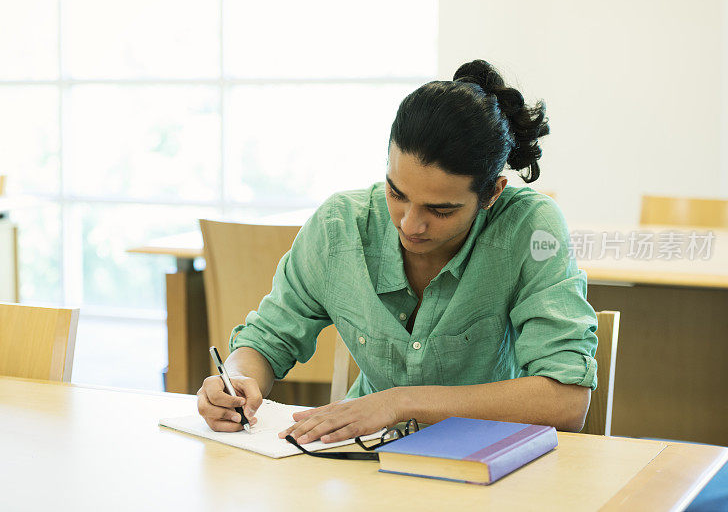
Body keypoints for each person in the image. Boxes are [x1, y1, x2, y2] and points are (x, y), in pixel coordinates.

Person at [197, 59, 598, 445]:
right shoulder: (341, 227)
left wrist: (400, 402)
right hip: (367, 454)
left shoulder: (530, 227)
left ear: (491, 193)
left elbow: (566, 401)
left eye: (441, 210)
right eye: (396, 193)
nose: (410, 224)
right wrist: (235, 380)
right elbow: (267, 341)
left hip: (487, 460)